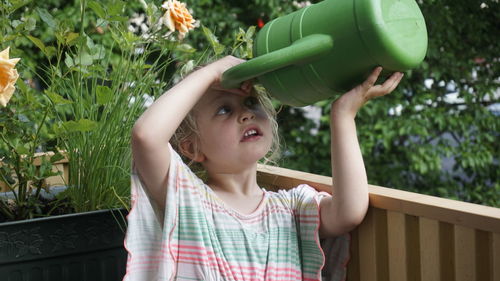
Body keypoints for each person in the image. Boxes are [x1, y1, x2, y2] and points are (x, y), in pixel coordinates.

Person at [123, 56, 404, 281]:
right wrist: (213, 72)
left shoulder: (291, 207)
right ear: (192, 148)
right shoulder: (188, 201)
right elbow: (147, 136)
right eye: (224, 110)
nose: (246, 114)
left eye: (251, 102)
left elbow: (349, 211)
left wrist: (342, 115)